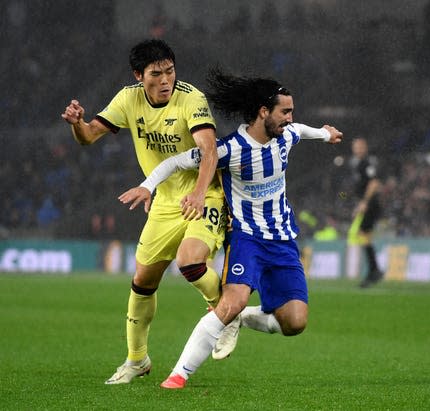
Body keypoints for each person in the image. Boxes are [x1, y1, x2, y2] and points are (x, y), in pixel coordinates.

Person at [123, 67, 343, 389]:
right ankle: (178, 375)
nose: (290, 118)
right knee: (231, 301)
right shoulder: (228, 150)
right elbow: (174, 162)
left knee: (295, 322)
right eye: (285, 111)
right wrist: (147, 185)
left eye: (291, 112)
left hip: (282, 240)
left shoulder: (287, 134)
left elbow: (303, 130)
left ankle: (244, 318)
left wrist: (326, 134)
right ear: (263, 112)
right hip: (246, 239)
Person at [61, 39, 227, 385]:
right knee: (142, 282)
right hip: (165, 202)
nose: (165, 79)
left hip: (205, 194)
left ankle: (226, 313)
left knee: (190, 261)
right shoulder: (128, 99)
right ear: (140, 76)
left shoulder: (190, 98)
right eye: (156, 73)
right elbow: (89, 136)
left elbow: (209, 151)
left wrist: (198, 194)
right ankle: (137, 360)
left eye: (170, 71)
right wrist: (77, 124)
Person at [348, 137, 385, 288]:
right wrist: (359, 205)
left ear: (365, 147)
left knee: (363, 234)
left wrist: (364, 202)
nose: (358, 149)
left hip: (371, 205)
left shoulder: (367, 163)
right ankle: (374, 270)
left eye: (360, 146)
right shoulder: (358, 164)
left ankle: (374, 270)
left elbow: (374, 182)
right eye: (356, 147)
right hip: (366, 204)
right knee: (364, 235)